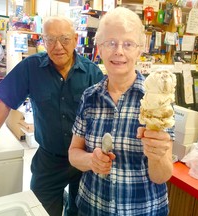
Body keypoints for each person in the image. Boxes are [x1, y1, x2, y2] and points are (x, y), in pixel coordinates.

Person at [0, 16, 103, 216]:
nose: (58, 46)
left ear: (74, 39)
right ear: (43, 42)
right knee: (39, 210)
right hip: (49, 159)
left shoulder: (92, 73)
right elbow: (4, 102)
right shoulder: (31, 67)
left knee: (81, 211)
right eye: (50, 40)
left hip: (84, 159)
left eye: (64, 39)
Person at [68, 7, 174, 216]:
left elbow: (161, 176)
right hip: (92, 208)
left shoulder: (156, 101)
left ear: (139, 49)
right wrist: (91, 161)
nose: (119, 51)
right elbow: (73, 153)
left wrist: (156, 156)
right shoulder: (90, 97)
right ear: (99, 48)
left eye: (128, 44)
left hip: (144, 210)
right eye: (111, 43)